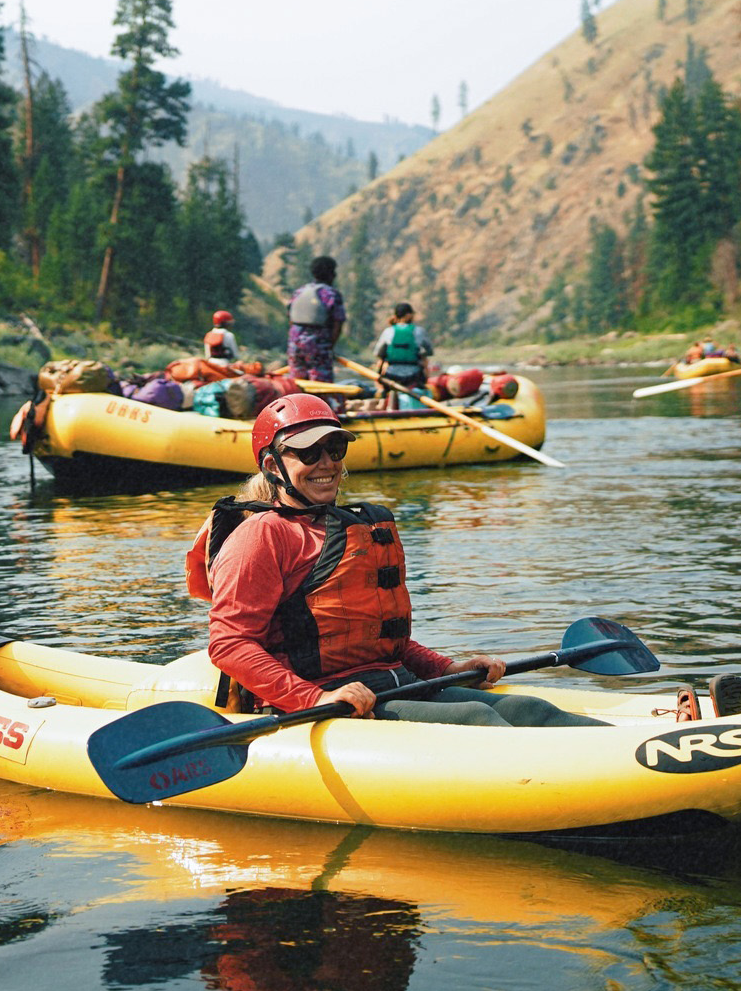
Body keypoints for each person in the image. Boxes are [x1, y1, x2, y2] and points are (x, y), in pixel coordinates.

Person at [185, 394, 605, 727]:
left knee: (529, 709)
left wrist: (448, 667)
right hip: (322, 703)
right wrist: (317, 698)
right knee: (478, 718)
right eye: (308, 454)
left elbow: (385, 641)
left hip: (393, 683)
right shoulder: (261, 535)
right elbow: (230, 644)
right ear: (273, 464)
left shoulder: (353, 527)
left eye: (333, 448)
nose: (327, 463)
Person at [286, 256, 346, 384]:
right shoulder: (332, 294)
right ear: (331, 274)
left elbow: (291, 319)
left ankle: (295, 403)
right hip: (318, 346)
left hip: (294, 345)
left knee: (297, 383)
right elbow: (338, 323)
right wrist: (330, 347)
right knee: (320, 385)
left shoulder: (299, 292)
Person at [373, 302, 434, 392]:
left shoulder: (388, 331)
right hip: (413, 377)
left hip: (391, 376)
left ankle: (383, 394)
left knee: (381, 364)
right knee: (424, 360)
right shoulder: (419, 331)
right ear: (408, 315)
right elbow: (429, 351)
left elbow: (378, 353)